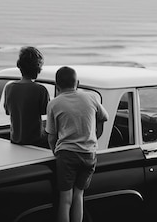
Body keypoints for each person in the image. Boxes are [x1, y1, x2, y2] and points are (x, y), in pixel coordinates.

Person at [45, 66, 109, 222]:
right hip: (89, 154)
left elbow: (51, 135)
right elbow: (104, 117)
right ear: (77, 83)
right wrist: (95, 136)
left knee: (65, 198)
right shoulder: (91, 98)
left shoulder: (54, 104)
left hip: (67, 155)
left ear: (57, 85)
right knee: (79, 194)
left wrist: (55, 151)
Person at [4, 46, 50, 146]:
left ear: (19, 66)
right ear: (38, 68)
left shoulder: (9, 87)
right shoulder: (40, 89)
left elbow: (8, 111)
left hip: (15, 139)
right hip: (35, 141)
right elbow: (46, 112)